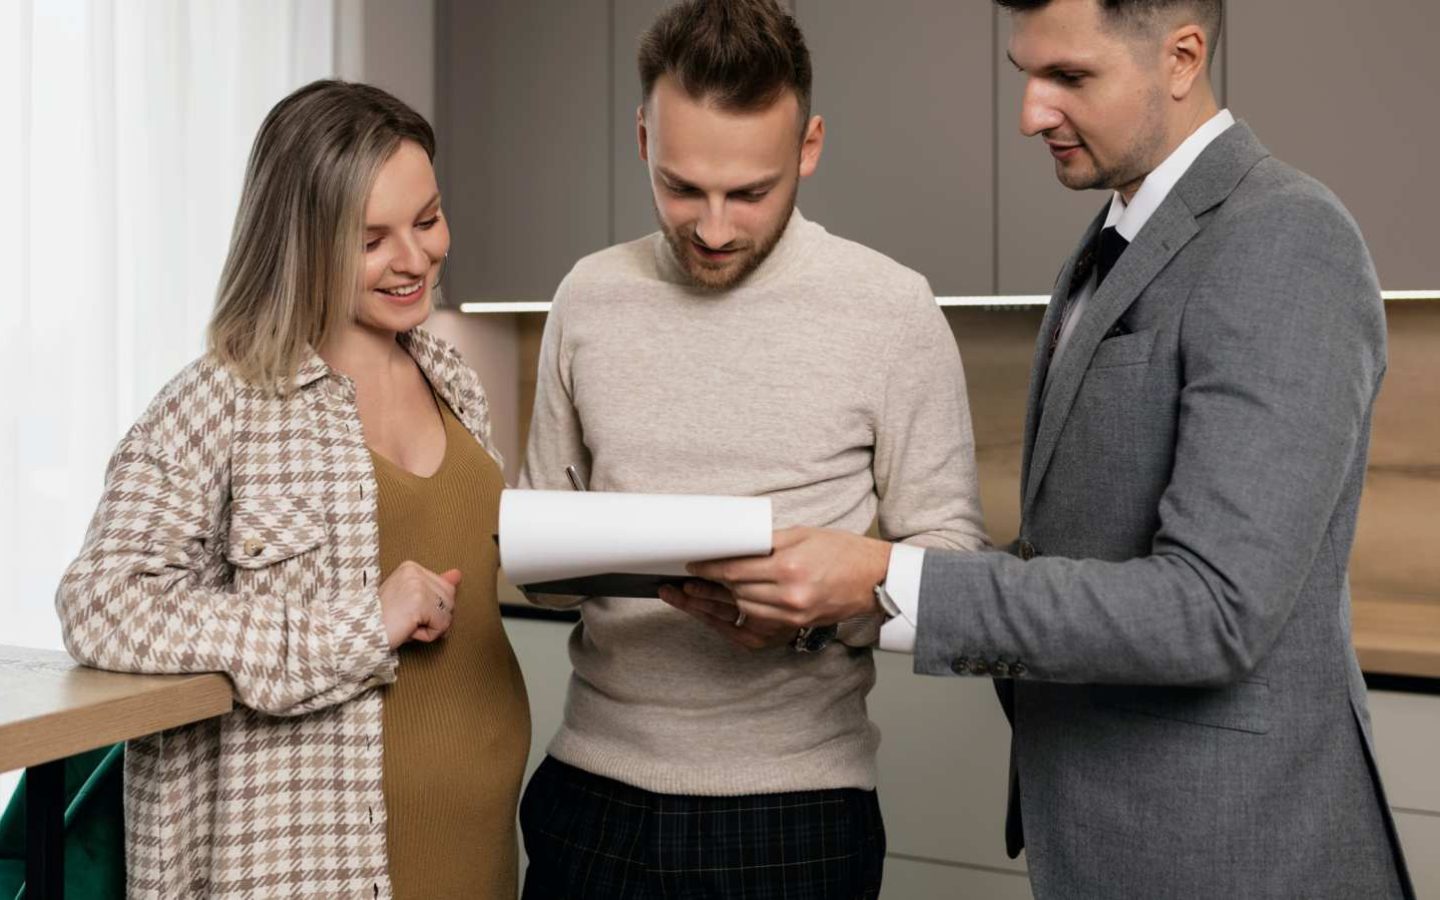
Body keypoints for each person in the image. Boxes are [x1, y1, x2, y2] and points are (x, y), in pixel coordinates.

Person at [671, 0, 1417, 896]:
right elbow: (1075, 554)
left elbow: (1213, 610)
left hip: (1238, 849)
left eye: (1068, 77)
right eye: (1026, 72)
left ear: (1182, 58)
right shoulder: (1119, 238)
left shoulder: (1283, 237)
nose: (1030, 112)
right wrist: (834, 599)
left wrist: (883, 576)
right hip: (1122, 840)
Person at [515, 0, 988, 896]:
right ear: (643, 135)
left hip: (797, 814)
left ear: (807, 147)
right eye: (682, 188)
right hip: (589, 794)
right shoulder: (586, 297)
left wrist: (822, 607)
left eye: (750, 192)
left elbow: (956, 574)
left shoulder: (892, 308)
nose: (716, 228)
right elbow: (544, 558)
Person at [56, 80, 530, 899]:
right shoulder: (218, 402)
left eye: (426, 219)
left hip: (483, 849)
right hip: (314, 866)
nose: (415, 258)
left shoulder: (452, 373)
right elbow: (100, 602)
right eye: (371, 238)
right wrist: (355, 627)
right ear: (301, 240)